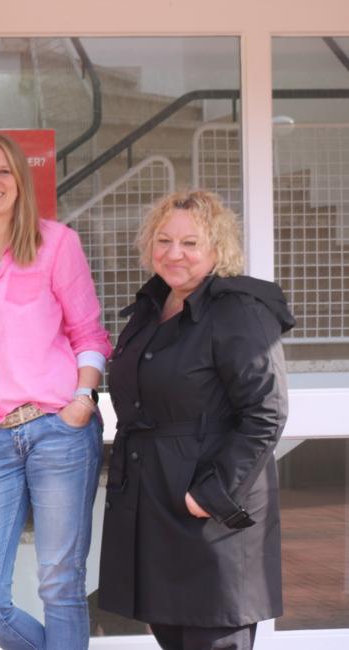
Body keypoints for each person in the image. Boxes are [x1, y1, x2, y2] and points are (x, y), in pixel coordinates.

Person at [99, 190, 292, 650]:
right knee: (172, 635)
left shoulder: (237, 310)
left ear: (217, 249)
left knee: (214, 637)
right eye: (163, 240)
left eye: (190, 243)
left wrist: (213, 492)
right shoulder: (151, 309)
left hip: (209, 508)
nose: (174, 253)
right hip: (155, 501)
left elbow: (267, 410)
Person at [0, 132, 111, 649]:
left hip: (56, 430)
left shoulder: (56, 243)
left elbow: (89, 335)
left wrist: (82, 403)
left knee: (60, 584)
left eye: (5, 172)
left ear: (21, 182)